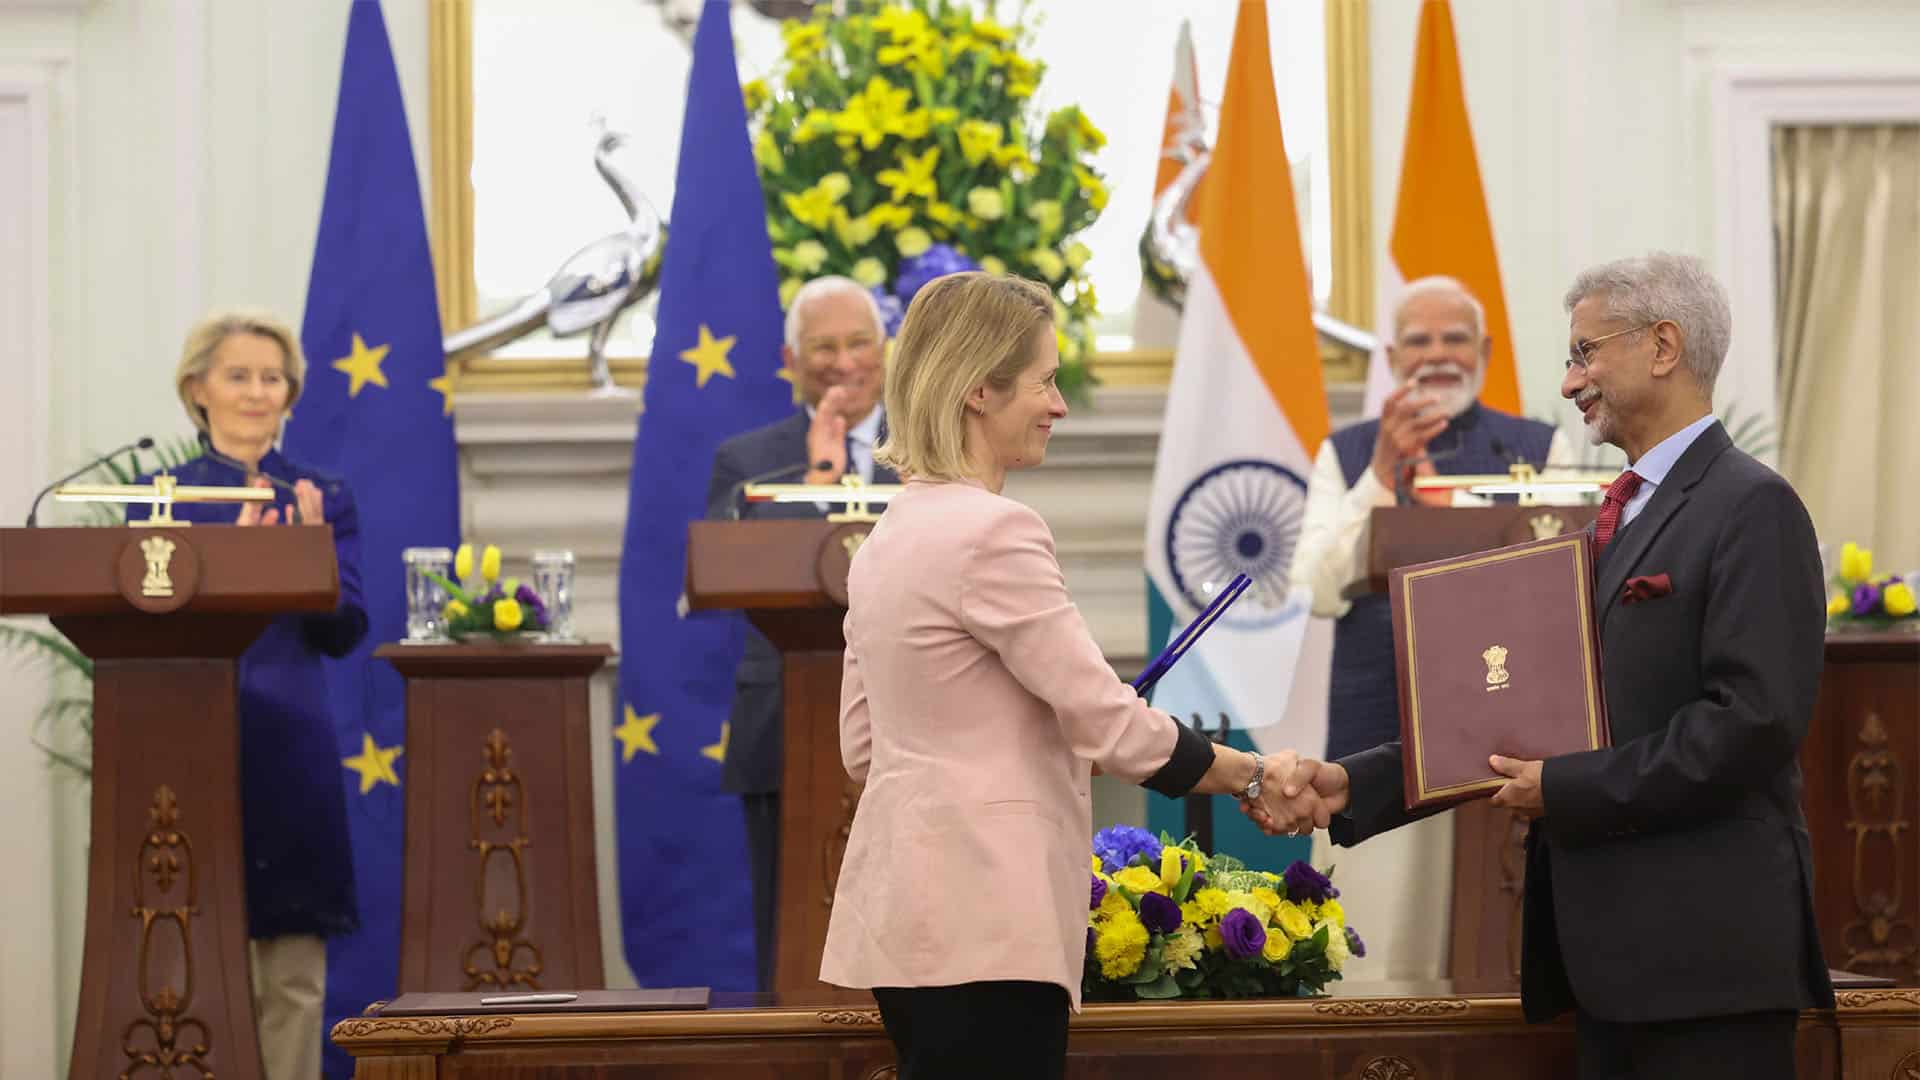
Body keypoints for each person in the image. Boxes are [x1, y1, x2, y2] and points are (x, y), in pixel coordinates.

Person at [1264, 253, 1833, 1080]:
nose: (1569, 383)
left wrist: (1561, 788)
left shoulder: (1752, 505)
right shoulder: (1620, 512)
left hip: (1709, 967)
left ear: (1664, 346)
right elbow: (1528, 706)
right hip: (1610, 973)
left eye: (1584, 352)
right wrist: (1355, 785)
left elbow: (1750, 726)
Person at [818, 272, 1322, 1079]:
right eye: (1046, 381)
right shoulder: (995, 531)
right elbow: (1109, 724)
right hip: (990, 917)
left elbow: (860, 747)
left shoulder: (886, 537)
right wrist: (1254, 772)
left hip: (905, 920)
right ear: (980, 388)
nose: (1059, 405)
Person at [1287, 276, 1574, 980]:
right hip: (1374, 724)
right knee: (1376, 954)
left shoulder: (1540, 445)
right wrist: (1384, 472)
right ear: (1392, 353)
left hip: (1501, 733)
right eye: (1420, 339)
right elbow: (1314, 588)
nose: (1438, 354)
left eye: (1454, 339)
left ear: (1484, 349)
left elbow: (1566, 579)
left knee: (1493, 951)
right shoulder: (1348, 451)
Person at [132, 309, 367, 1080]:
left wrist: (306, 558)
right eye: (239, 376)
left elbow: (345, 628)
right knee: (193, 957)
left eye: (272, 378)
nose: (258, 392)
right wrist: (232, 559)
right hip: (191, 743)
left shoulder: (320, 495)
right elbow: (147, 619)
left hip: (290, 742)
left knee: (293, 969)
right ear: (198, 389)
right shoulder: (160, 498)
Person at [703, 275, 898, 991]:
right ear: (790, 359)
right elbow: (745, 571)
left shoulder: (929, 445)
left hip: (910, 723)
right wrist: (821, 468)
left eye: (858, 343)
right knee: (790, 944)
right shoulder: (747, 461)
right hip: (783, 722)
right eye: (824, 347)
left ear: (884, 352)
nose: (843, 362)